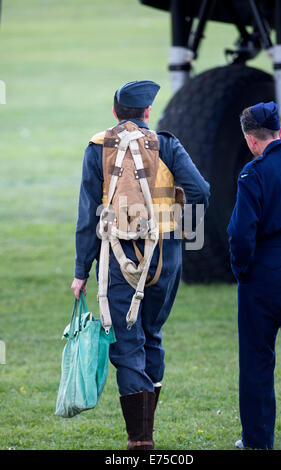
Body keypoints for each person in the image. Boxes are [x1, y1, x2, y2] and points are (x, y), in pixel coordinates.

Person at [71, 80, 210, 450]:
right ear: (147, 112)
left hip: (118, 258)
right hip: (167, 254)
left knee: (127, 344)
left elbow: (87, 215)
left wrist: (80, 270)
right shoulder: (167, 144)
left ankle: (140, 440)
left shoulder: (98, 148)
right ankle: (145, 433)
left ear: (116, 113)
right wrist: (174, 224)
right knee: (152, 336)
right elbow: (200, 191)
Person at [227, 101, 281, 450]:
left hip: (264, 276)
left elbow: (242, 233)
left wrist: (243, 272)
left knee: (257, 362)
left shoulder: (252, 173)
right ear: (280, 132)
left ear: (251, 141)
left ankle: (257, 442)